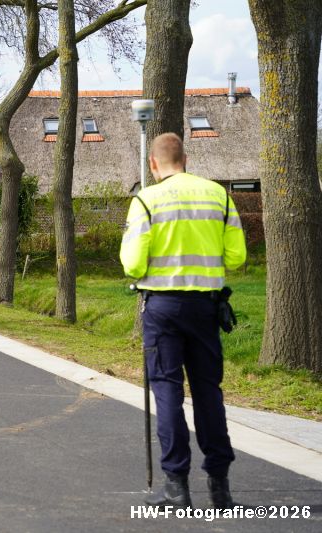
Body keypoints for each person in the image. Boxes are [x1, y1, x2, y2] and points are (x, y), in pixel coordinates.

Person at [119, 133, 247, 510]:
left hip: (162, 308)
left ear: (154, 164)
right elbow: (236, 256)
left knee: (167, 390)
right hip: (206, 309)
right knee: (209, 392)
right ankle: (220, 487)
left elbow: (133, 264)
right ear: (186, 159)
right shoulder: (219, 196)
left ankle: (177, 487)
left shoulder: (146, 200)